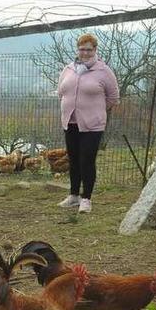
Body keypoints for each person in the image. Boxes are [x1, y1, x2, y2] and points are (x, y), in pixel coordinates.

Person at [56, 33, 119, 214]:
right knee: (73, 159)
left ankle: (86, 198)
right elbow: (61, 92)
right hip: (71, 121)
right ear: (78, 50)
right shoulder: (68, 69)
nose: (85, 53)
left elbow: (113, 98)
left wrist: (96, 109)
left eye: (88, 49)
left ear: (95, 50)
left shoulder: (103, 71)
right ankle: (73, 195)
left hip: (92, 125)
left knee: (87, 160)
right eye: (82, 49)